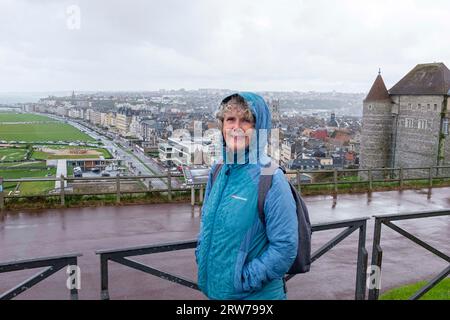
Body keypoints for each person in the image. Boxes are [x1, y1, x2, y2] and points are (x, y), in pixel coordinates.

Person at [195, 92, 298, 300]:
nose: (236, 126)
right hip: (216, 293)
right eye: (230, 119)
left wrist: (243, 280)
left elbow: (285, 247)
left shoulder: (271, 178)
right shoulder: (218, 171)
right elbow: (207, 224)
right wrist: (201, 255)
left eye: (246, 121)